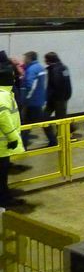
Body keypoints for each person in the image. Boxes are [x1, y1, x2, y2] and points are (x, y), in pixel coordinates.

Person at [0, 67, 25, 208]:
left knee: (3, 176)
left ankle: (5, 198)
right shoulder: (2, 96)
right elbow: (3, 119)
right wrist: (13, 138)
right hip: (2, 145)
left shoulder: (5, 94)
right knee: (1, 176)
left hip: (3, 145)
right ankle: (4, 201)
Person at [22, 51, 53, 148]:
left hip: (32, 101)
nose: (24, 60)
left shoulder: (31, 69)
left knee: (26, 125)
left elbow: (30, 86)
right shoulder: (40, 67)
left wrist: (25, 99)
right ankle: (52, 140)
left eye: (25, 58)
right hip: (39, 100)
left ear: (29, 58)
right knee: (43, 122)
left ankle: (23, 145)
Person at [43, 52, 71, 144]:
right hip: (61, 98)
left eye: (45, 59)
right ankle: (68, 130)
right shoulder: (64, 67)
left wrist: (48, 97)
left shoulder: (54, 70)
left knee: (50, 119)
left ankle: (57, 140)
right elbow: (67, 84)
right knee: (59, 119)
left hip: (57, 99)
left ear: (49, 60)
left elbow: (56, 85)